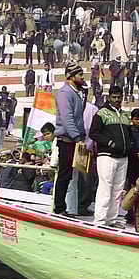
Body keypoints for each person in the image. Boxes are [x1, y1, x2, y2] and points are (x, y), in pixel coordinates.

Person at [88, 85, 135, 228]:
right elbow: (93, 133)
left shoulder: (125, 115)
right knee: (105, 188)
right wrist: (109, 142)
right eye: (114, 97)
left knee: (118, 190)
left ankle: (111, 220)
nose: (117, 100)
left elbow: (131, 134)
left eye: (119, 97)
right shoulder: (101, 113)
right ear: (109, 98)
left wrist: (131, 144)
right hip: (107, 155)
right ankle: (100, 221)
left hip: (123, 157)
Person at [52, 64, 88, 216]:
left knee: (71, 175)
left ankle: (66, 206)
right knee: (64, 175)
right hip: (67, 140)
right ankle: (59, 207)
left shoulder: (76, 93)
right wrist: (77, 137)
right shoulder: (65, 93)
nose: (83, 78)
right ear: (72, 77)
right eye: (80, 75)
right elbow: (68, 119)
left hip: (73, 139)